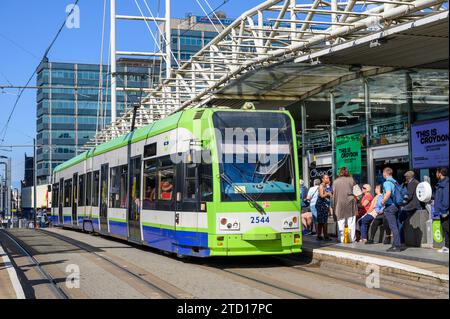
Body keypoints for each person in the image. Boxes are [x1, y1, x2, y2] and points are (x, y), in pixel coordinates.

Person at [333, 167, 358, 243]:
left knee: (341, 222)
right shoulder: (351, 180)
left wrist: (333, 206)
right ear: (347, 172)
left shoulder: (335, 182)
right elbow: (358, 193)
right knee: (351, 222)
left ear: (340, 172)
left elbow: (334, 196)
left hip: (339, 203)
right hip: (351, 202)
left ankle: (341, 238)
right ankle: (352, 239)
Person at [398, 171, 421, 245]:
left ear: (409, 177)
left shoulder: (412, 183)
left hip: (412, 205)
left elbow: (409, 196)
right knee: (404, 220)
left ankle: (401, 239)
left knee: (400, 219)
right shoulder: (416, 182)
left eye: (406, 177)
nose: (405, 178)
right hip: (415, 205)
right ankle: (402, 238)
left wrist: (403, 203)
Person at [381, 167, 401, 252]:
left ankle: (397, 246)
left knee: (393, 227)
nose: (383, 174)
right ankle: (395, 245)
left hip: (390, 206)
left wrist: (383, 201)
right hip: (396, 206)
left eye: (383, 173)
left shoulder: (386, 182)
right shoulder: (395, 181)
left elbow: (388, 193)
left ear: (385, 173)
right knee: (395, 226)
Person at [434, 168, 449, 253]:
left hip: (445, 210)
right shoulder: (441, 183)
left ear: (440, 173)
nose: (436, 174)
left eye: (437, 172)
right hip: (442, 210)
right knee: (444, 228)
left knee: (447, 227)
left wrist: (444, 210)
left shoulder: (445, 184)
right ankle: (447, 246)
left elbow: (446, 198)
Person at [316, 175, 333, 241]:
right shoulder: (321, 186)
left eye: (328, 178)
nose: (328, 179)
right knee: (323, 221)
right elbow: (321, 195)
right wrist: (328, 194)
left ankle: (320, 235)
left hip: (325, 205)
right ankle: (324, 235)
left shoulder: (327, 186)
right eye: (326, 178)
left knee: (322, 221)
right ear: (323, 179)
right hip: (321, 205)